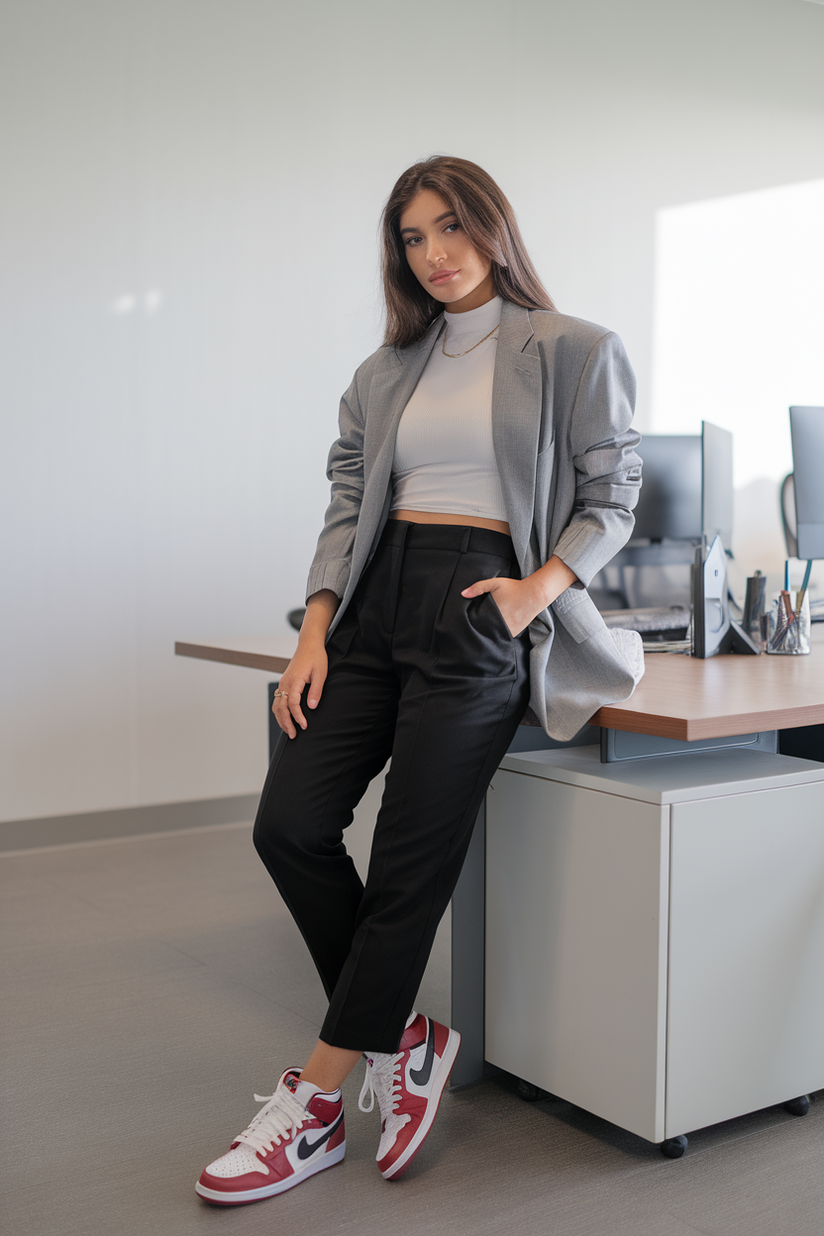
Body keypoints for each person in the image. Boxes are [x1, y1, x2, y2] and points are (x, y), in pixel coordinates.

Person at [195, 156, 643, 1206]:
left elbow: (612, 492)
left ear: (493, 227)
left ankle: (310, 1106)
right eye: (411, 237)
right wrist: (312, 629)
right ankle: (408, 1034)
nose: (433, 254)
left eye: (450, 228)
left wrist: (535, 590)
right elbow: (348, 500)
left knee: (407, 863)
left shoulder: (573, 348)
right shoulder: (384, 368)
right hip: (369, 604)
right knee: (289, 825)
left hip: (479, 600)